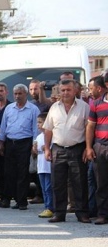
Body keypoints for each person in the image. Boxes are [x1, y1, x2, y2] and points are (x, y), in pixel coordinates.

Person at [44, 79, 90, 223]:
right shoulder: (54, 108)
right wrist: (46, 148)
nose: (65, 93)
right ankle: (59, 213)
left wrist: (88, 148)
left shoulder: (84, 107)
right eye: (62, 90)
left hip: (78, 148)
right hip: (58, 149)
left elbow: (89, 129)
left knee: (79, 182)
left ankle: (81, 213)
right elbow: (48, 129)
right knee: (58, 183)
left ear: (75, 90)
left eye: (68, 90)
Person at [0, 84, 39, 210]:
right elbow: (3, 126)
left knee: (23, 173)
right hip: (10, 143)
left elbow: (36, 129)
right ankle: (12, 198)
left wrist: (34, 144)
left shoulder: (33, 109)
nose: (17, 96)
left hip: (25, 143)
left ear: (25, 94)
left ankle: (22, 201)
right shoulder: (9, 108)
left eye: (20, 93)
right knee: (10, 172)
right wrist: (1, 142)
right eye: (15, 94)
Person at [85, 80, 108, 225]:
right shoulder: (96, 103)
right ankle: (103, 214)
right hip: (101, 147)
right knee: (101, 182)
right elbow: (90, 126)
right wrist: (88, 147)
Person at [0, 82, 12, 208]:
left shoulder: (11, 107)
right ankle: (2, 197)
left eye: (2, 91)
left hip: (9, 142)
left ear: (6, 92)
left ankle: (9, 197)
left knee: (8, 171)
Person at [33, 113, 53, 218]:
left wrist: (45, 148)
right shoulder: (39, 136)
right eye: (38, 122)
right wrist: (35, 149)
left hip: (49, 167)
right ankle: (46, 207)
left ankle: (51, 207)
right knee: (44, 188)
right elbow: (37, 151)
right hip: (41, 167)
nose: (38, 125)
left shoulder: (51, 136)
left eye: (40, 122)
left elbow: (50, 148)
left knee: (49, 187)